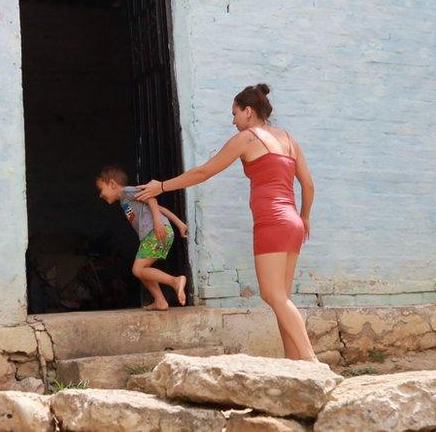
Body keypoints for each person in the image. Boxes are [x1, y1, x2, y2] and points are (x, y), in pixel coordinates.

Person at [135, 84, 318, 361]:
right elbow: (308, 183)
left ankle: (311, 360)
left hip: (271, 222)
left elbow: (204, 171)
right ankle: (295, 363)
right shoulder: (289, 139)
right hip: (292, 223)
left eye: (234, 113)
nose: (232, 120)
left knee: (272, 296)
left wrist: (161, 186)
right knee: (283, 299)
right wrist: (303, 217)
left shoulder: (248, 138)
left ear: (248, 112)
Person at [96, 165, 189, 310]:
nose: (100, 195)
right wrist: (179, 223)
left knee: (138, 270)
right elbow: (161, 209)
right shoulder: (124, 201)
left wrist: (158, 223)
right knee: (143, 270)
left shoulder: (127, 191)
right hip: (156, 232)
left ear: (112, 184)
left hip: (156, 232)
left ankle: (175, 281)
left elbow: (151, 199)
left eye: (101, 189)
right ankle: (160, 301)